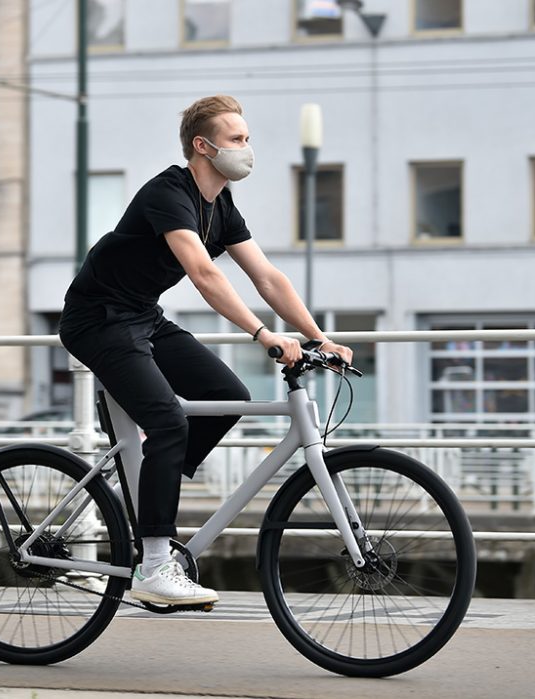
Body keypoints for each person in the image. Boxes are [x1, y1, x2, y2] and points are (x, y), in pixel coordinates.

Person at [58, 95, 353, 606]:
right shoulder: (168, 192)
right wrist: (264, 335)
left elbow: (267, 276)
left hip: (142, 315)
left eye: (247, 138)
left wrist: (317, 336)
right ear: (204, 146)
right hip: (97, 319)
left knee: (227, 394)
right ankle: (153, 565)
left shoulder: (221, 207)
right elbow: (204, 273)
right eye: (237, 139)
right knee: (170, 423)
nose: (247, 149)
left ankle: (151, 486)